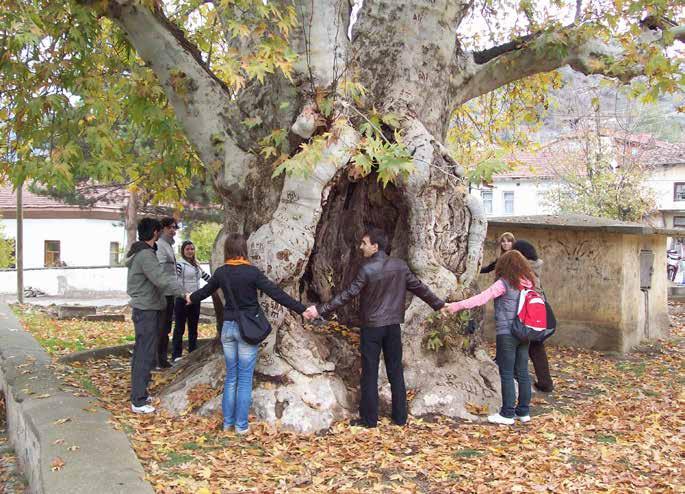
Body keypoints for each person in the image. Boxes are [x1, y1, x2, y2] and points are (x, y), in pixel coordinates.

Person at [303, 227, 445, 428]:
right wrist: (439, 305)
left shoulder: (368, 269)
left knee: (369, 371)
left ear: (375, 246)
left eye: (364, 243)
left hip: (372, 327)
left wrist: (320, 310)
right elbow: (420, 288)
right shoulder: (400, 266)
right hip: (393, 326)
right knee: (395, 370)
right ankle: (400, 417)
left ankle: (369, 420)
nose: (361, 247)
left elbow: (347, 295)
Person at [187, 233, 306, 434]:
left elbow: (205, 292)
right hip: (247, 330)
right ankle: (241, 426)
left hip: (228, 329)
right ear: (244, 249)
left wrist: (190, 297)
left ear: (227, 250)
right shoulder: (252, 273)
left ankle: (227, 424)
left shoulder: (222, 272)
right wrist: (302, 309)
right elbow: (276, 294)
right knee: (244, 378)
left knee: (231, 377)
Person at [443, 250, 534, 425]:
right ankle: (523, 411)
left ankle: (507, 413)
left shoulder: (504, 283)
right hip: (525, 332)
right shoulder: (528, 283)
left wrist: (455, 306)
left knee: (506, 373)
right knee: (522, 372)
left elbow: (481, 298)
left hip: (507, 333)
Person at [125, 218, 188, 414]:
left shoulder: (143, 252)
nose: (161, 233)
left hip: (146, 309)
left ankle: (140, 393)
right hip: (146, 311)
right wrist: (185, 294)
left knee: (142, 352)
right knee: (145, 353)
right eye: (160, 230)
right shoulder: (145, 255)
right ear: (154, 232)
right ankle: (138, 400)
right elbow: (161, 279)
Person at [512, 239, 553, 393]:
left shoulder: (524, 269)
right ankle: (545, 381)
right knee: (536, 347)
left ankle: (520, 380)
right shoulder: (536, 266)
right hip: (538, 312)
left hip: (528, 313)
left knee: (522, 344)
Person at [171, 240, 211, 362]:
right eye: (187, 249)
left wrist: (217, 283)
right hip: (182, 300)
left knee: (193, 328)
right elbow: (175, 281)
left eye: (192, 249)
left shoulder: (196, 264)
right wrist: (184, 295)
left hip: (195, 300)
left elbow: (205, 277)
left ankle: (192, 352)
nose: (190, 251)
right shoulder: (179, 264)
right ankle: (176, 355)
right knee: (179, 328)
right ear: (183, 251)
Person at [156, 217, 178, 369]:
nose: (173, 230)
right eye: (170, 227)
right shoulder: (160, 246)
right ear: (162, 228)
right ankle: (158, 359)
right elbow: (160, 271)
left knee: (166, 327)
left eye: (175, 227)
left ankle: (162, 358)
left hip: (170, 292)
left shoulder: (169, 246)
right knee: (161, 327)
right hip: (162, 292)